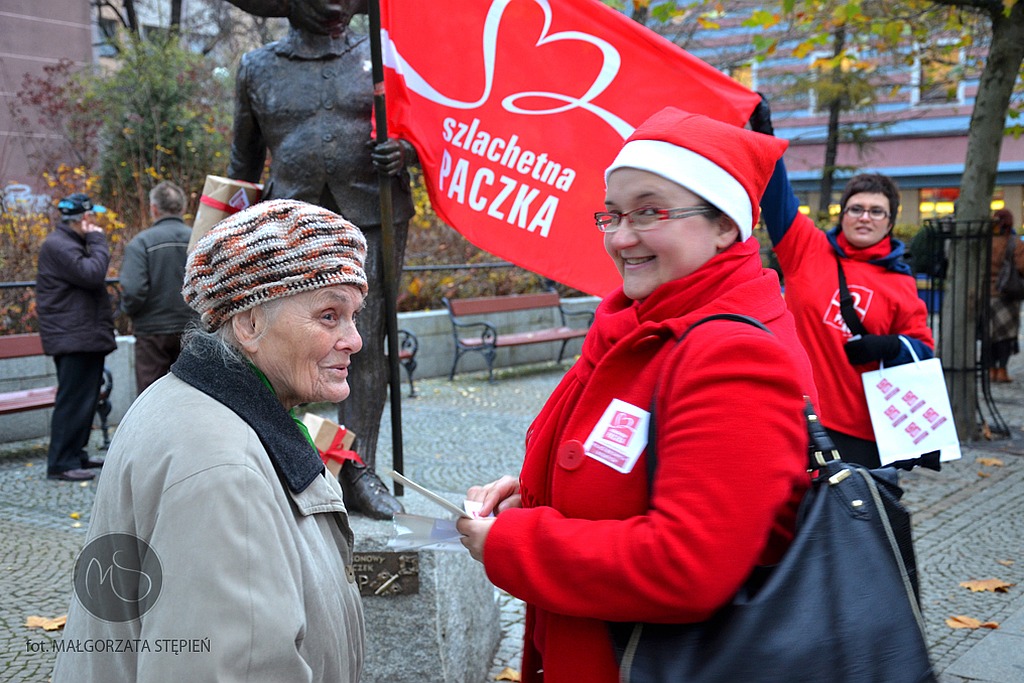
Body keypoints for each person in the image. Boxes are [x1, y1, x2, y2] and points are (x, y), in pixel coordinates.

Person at [455, 108, 819, 683]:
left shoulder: (734, 352)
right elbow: (625, 474)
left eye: (649, 212)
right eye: (613, 214)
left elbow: (688, 566)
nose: (621, 238)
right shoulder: (640, 324)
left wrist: (516, 542)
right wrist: (531, 496)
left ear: (727, 225)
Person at [52, 199, 367, 682]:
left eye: (354, 316)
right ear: (249, 325)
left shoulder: (189, 399)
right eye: (329, 316)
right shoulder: (226, 469)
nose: (354, 339)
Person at [227, 0, 414, 519]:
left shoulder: (384, 53)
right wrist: (223, 238)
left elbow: (433, 132)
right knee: (277, 344)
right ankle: (286, 459)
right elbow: (242, 161)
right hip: (289, 225)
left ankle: (357, 468)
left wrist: (406, 153)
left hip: (374, 214)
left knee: (363, 342)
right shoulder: (257, 66)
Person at [750, 96, 935, 468]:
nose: (865, 217)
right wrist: (764, 134)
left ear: (890, 221)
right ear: (843, 213)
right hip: (795, 415)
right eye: (856, 208)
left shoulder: (900, 281)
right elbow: (777, 199)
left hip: (863, 431)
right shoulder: (807, 247)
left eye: (876, 211)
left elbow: (924, 352)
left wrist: (888, 345)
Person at [36, 193, 116, 482]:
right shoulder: (59, 245)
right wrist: (97, 241)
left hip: (82, 335)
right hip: (73, 336)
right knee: (73, 400)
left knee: (86, 398)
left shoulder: (70, 243)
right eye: (92, 216)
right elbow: (92, 273)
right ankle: (60, 462)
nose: (96, 222)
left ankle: (76, 454)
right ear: (84, 218)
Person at [119, 180, 198, 394]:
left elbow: (133, 290)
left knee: (151, 397)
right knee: (194, 395)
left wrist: (130, 312)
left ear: (154, 209)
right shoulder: (200, 240)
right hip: (193, 329)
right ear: (183, 208)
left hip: (152, 332)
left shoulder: (140, 243)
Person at [988, 208, 1024, 383]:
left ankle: (991, 369)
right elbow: (1022, 266)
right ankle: (1002, 370)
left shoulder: (985, 242)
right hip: (1007, 294)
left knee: (989, 334)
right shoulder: (1014, 242)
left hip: (986, 293)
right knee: (1006, 335)